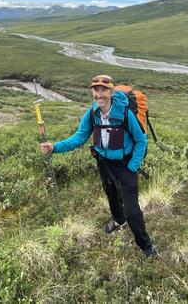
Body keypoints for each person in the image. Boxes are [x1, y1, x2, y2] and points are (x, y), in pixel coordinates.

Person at [41, 74, 158, 258]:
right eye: (96, 90)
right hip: (103, 161)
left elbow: (141, 140)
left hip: (125, 164)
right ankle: (118, 220)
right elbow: (79, 138)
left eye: (104, 90)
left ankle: (146, 247)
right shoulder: (92, 113)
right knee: (110, 192)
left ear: (111, 92)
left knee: (131, 209)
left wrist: (132, 166)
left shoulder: (125, 114)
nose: (99, 94)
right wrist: (54, 147)